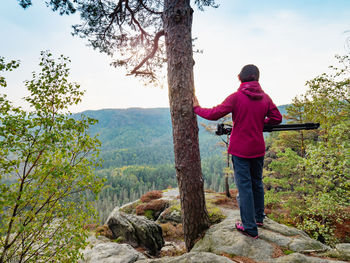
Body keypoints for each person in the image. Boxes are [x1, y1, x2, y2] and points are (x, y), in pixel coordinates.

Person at [193, 64, 282, 238]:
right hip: (258, 148)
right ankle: (258, 218)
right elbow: (277, 118)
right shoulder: (265, 98)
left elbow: (214, 114)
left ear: (240, 78)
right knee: (256, 183)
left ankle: (249, 227)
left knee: (245, 188)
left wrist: (196, 108)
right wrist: (258, 123)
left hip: (240, 151)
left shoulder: (236, 97)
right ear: (257, 78)